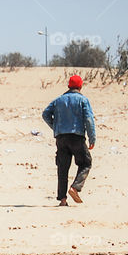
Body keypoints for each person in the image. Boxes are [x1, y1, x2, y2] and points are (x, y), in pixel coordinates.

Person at [42, 74, 95, 206]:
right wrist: (92, 137)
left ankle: (63, 199)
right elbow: (89, 120)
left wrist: (55, 127)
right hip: (77, 137)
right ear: (81, 86)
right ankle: (75, 187)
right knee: (86, 163)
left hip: (61, 138)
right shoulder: (83, 100)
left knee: (62, 168)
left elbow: (45, 114)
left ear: (68, 86)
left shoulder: (58, 100)